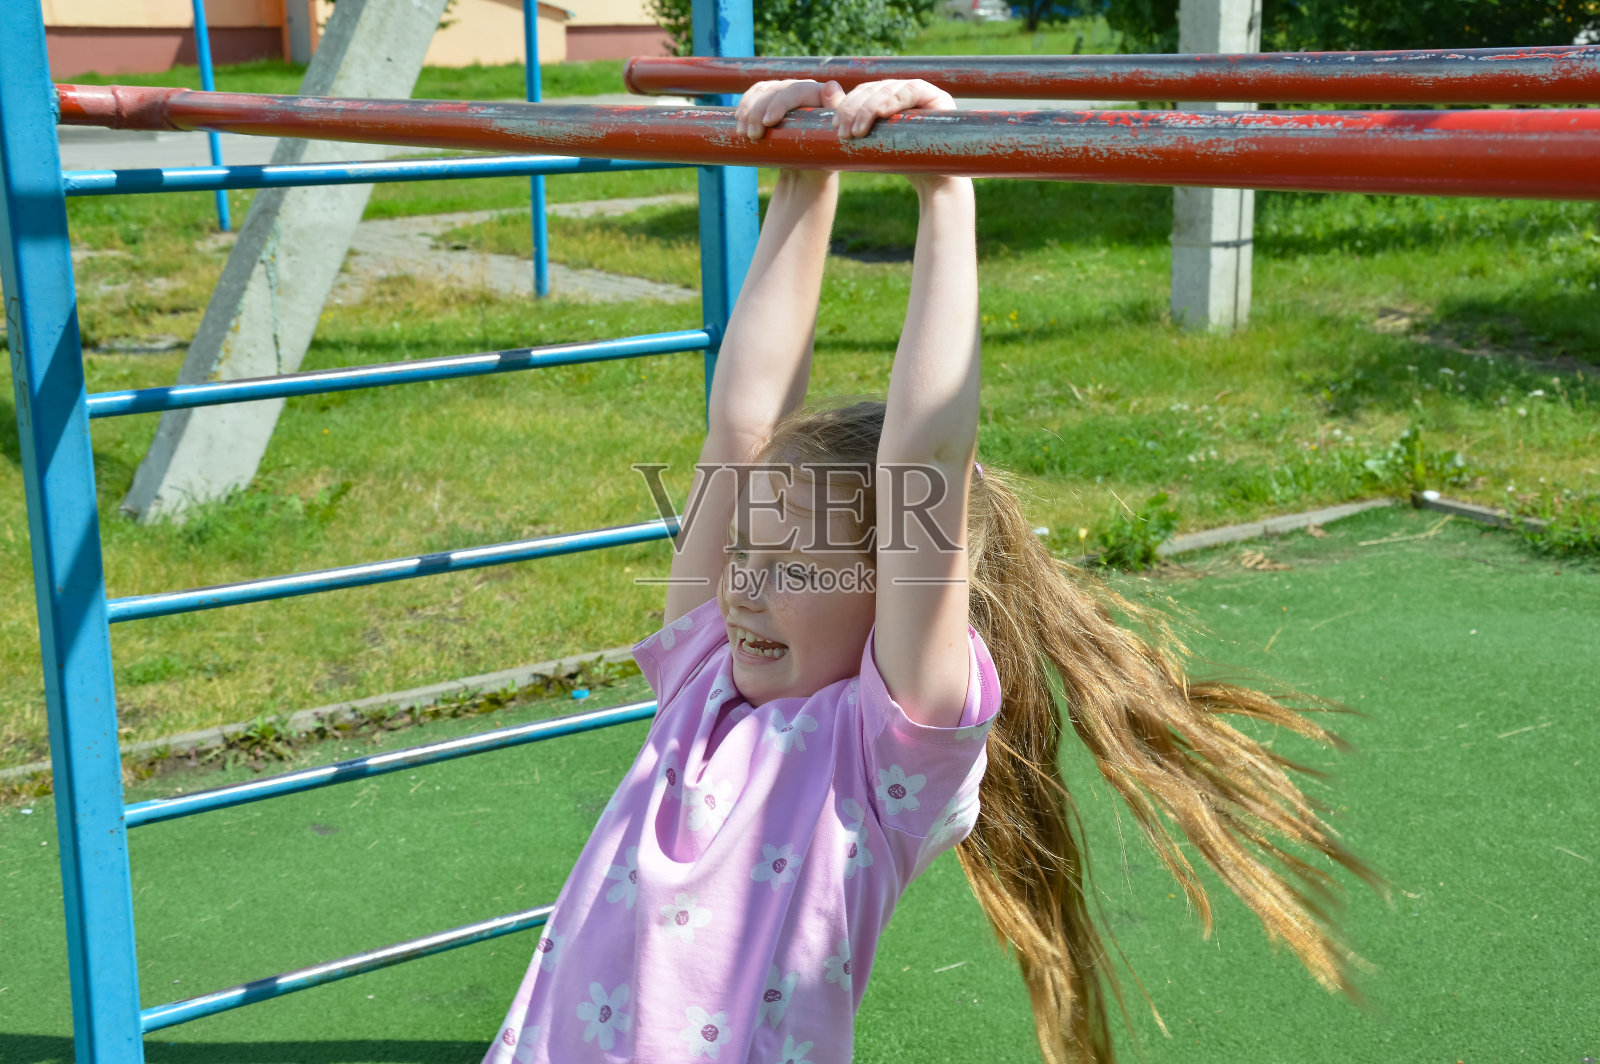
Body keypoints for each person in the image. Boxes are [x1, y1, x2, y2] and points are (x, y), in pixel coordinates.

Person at [483, 79, 1375, 1064]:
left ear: (894, 592)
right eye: (743, 551)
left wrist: (945, 188)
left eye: (791, 566)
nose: (740, 585)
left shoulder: (878, 752)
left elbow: (926, 462)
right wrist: (803, 176)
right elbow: (739, 425)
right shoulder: (706, 676)